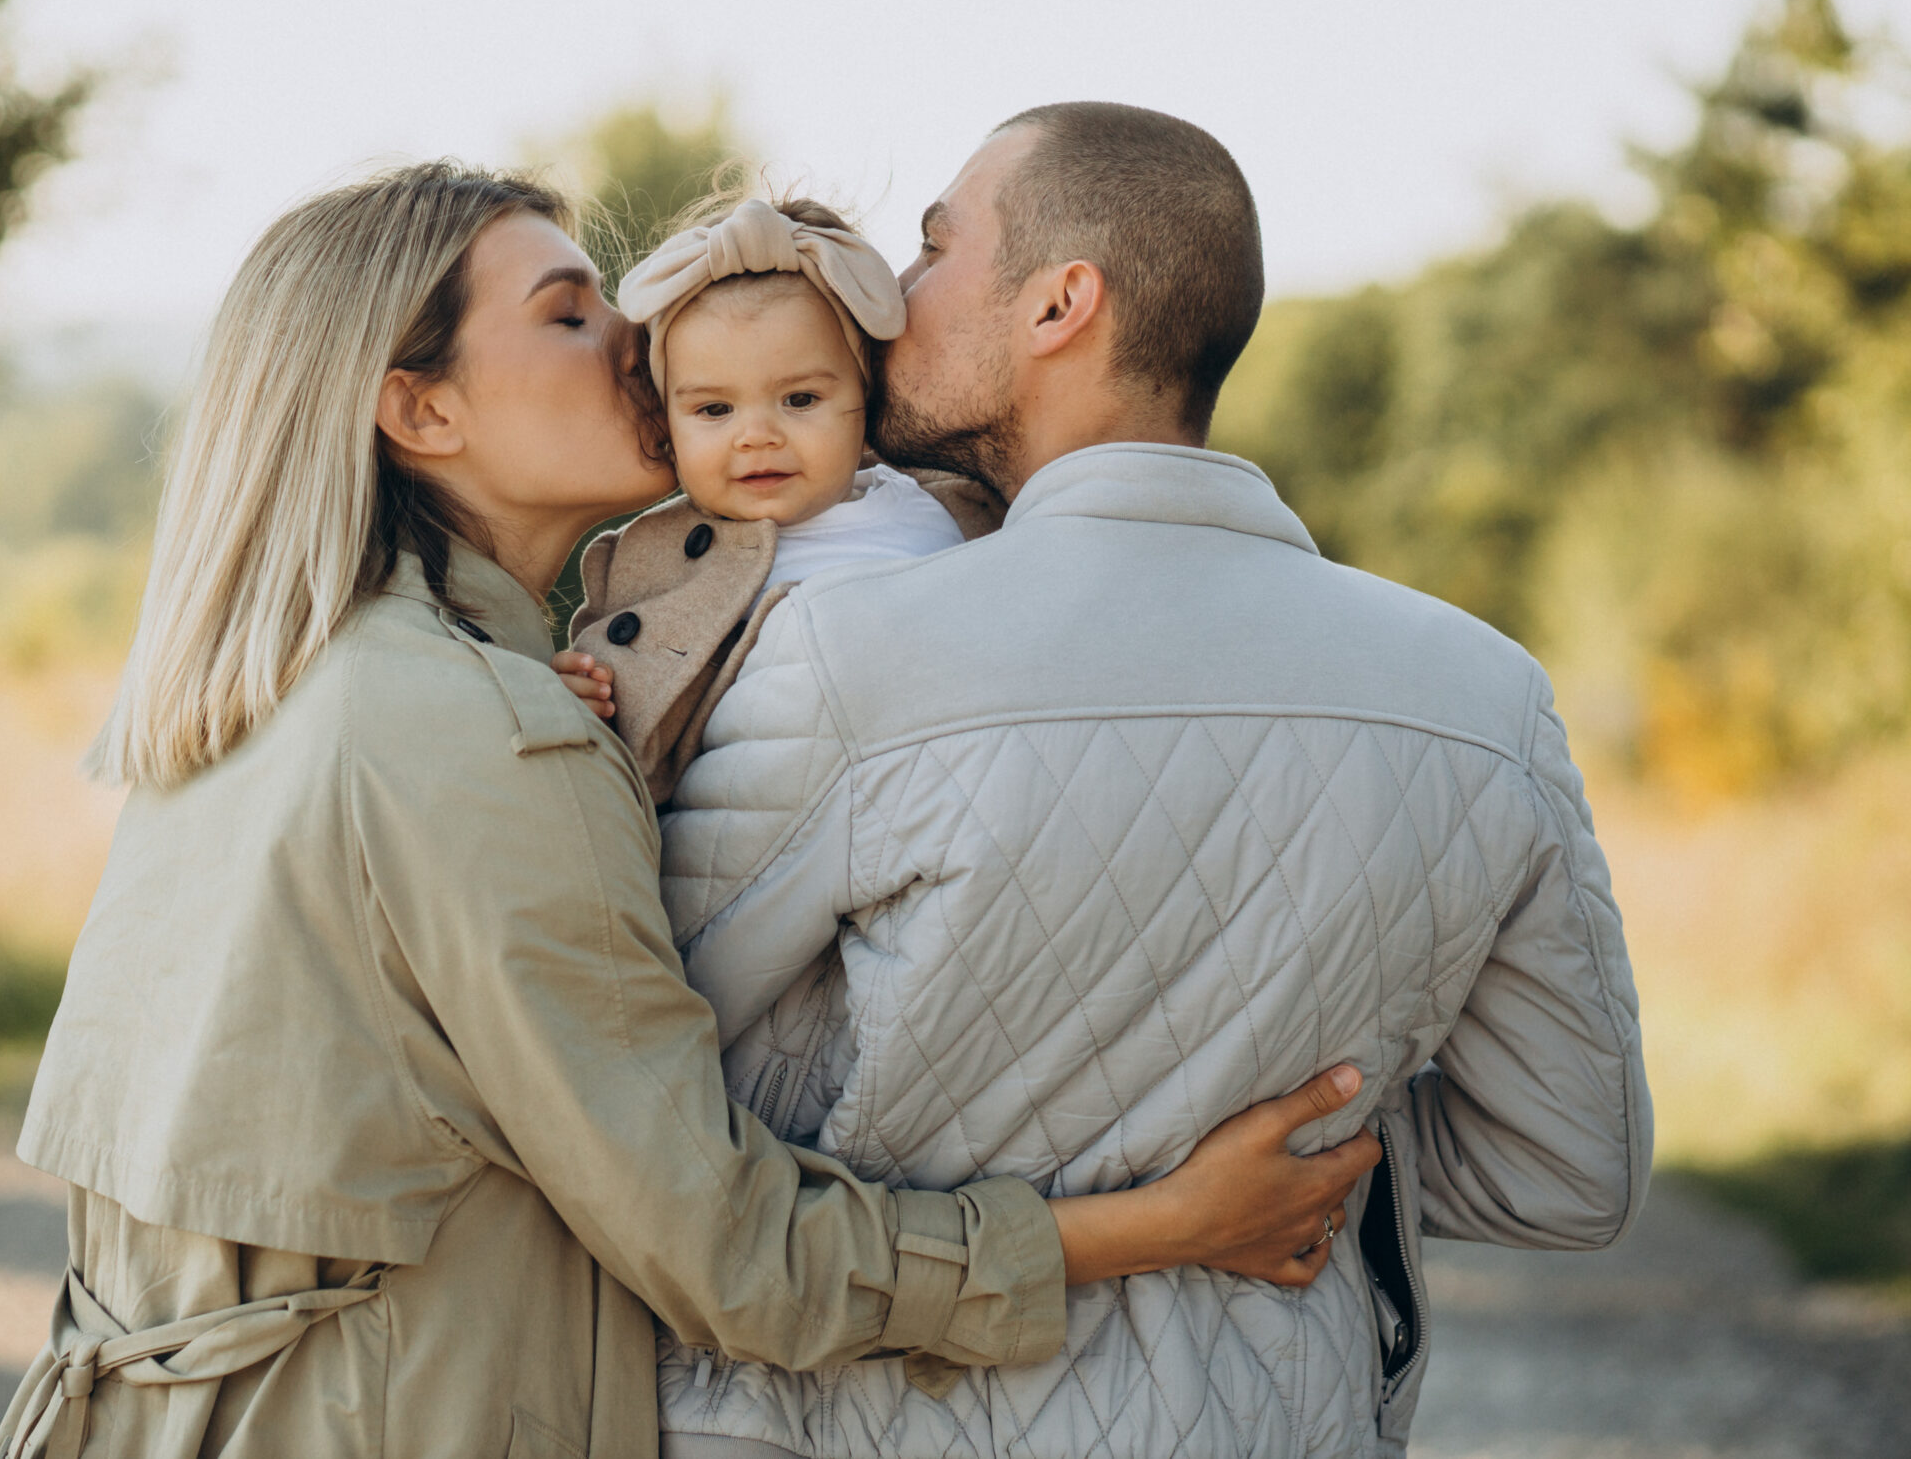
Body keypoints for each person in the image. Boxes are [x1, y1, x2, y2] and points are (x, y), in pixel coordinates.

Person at [0, 161, 1384, 1459]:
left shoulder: (285, 685)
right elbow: (729, 1251)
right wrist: (1161, 1224)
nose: (637, 337)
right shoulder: (476, 732)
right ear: (422, 409)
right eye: (569, 311)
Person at [653, 105, 1653, 1459]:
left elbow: (650, 1068)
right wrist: (1267, 1155)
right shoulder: (1484, 696)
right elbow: (1567, 1173)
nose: (889, 302)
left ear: (1062, 303)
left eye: (937, 250)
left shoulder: (841, 657)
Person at [550, 193, 997, 802]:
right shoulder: (645, 563)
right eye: (714, 409)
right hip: (747, 838)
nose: (757, 435)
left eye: (800, 400)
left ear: (865, 395)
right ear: (668, 422)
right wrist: (580, 704)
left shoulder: (956, 508)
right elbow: (624, 759)